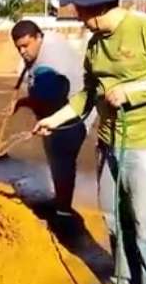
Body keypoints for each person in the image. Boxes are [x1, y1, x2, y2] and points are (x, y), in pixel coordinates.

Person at [33, 0, 146, 284]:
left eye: (81, 12)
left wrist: (134, 91)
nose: (79, 18)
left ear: (97, 8)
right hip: (107, 143)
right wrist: (54, 119)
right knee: (114, 221)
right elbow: (86, 96)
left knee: (144, 225)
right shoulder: (94, 45)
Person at [11, 20, 94, 219]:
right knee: (57, 157)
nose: (23, 51)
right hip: (60, 110)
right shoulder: (42, 45)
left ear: (38, 37)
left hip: (73, 114)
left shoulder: (50, 62)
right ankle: (61, 200)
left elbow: (51, 97)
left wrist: (25, 102)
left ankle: (63, 211)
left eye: (26, 45)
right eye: (18, 47)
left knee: (62, 157)